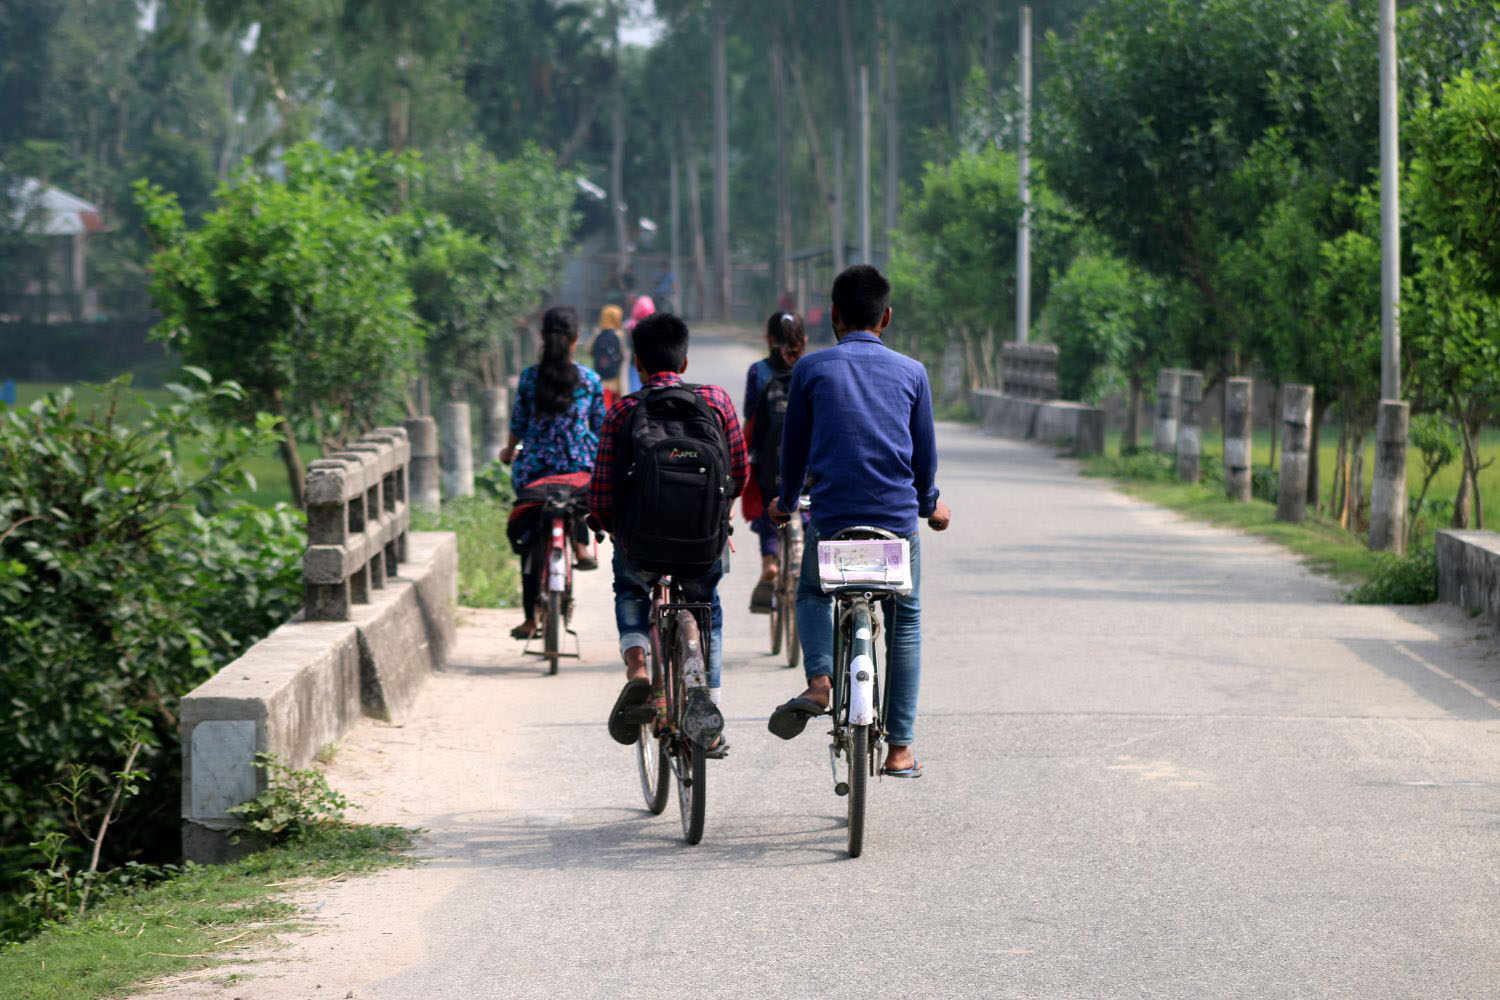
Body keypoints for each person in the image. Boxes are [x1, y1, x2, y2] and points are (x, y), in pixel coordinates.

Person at [766, 264, 951, 778]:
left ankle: (821, 682)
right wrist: (929, 502)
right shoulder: (913, 372)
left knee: (810, 594)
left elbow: (794, 452)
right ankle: (901, 749)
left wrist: (784, 500)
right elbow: (924, 458)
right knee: (905, 622)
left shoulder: (811, 370)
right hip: (896, 525)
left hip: (833, 523)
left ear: (835, 318)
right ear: (886, 317)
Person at [590, 312, 748, 756]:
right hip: (702, 544)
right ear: (684, 359)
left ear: (637, 363)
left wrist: (607, 525)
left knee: (630, 588)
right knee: (706, 606)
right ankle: (709, 713)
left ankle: (639, 668)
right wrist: (722, 514)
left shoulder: (623, 409)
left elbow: (601, 492)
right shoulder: (715, 400)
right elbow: (739, 471)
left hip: (641, 545)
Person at [501, 306, 606, 639]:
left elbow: (519, 424)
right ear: (576, 340)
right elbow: (600, 427)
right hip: (580, 471)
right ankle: (580, 544)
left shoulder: (530, 378)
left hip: (535, 471)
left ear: (543, 337)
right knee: (578, 496)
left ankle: (531, 620)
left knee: (533, 537)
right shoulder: (589, 380)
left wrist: (508, 450)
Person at [741, 311, 808, 612]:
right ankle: (803, 552)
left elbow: (751, 417)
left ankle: (770, 560)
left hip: (770, 462)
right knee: (808, 505)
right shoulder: (814, 369)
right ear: (804, 340)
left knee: (770, 505)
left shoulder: (758, 371)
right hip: (809, 465)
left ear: (768, 339)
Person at [591, 304, 626, 407]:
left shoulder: (598, 333)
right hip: (615, 381)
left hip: (599, 379)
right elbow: (623, 356)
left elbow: (589, 350)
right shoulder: (620, 334)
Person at [623, 294, 655, 393]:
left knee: (635, 389)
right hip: (651, 364)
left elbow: (630, 345)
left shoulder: (632, 326)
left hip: (635, 364)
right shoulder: (656, 327)